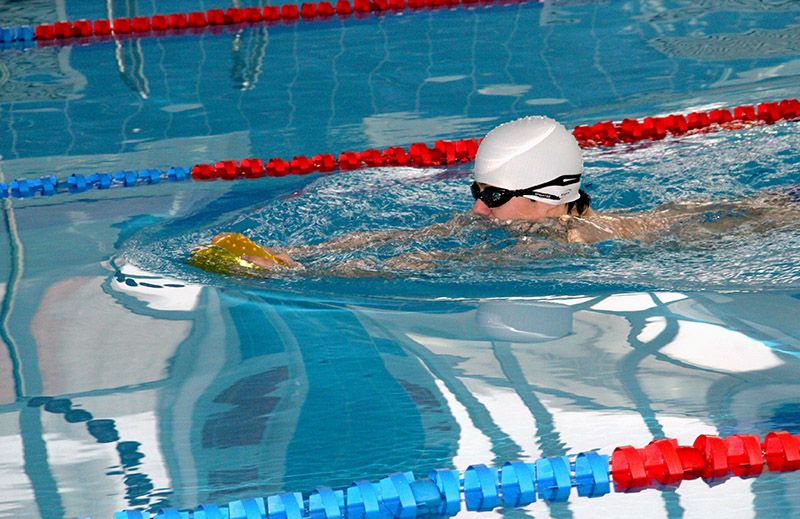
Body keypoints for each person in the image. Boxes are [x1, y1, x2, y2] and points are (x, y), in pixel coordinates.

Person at [189, 116, 797, 274]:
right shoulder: (510, 217)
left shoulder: (569, 238)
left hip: (723, 225)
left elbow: (430, 263)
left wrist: (310, 277)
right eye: (477, 190)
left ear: (549, 197)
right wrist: (301, 255)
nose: (478, 207)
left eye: (496, 196)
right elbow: (409, 237)